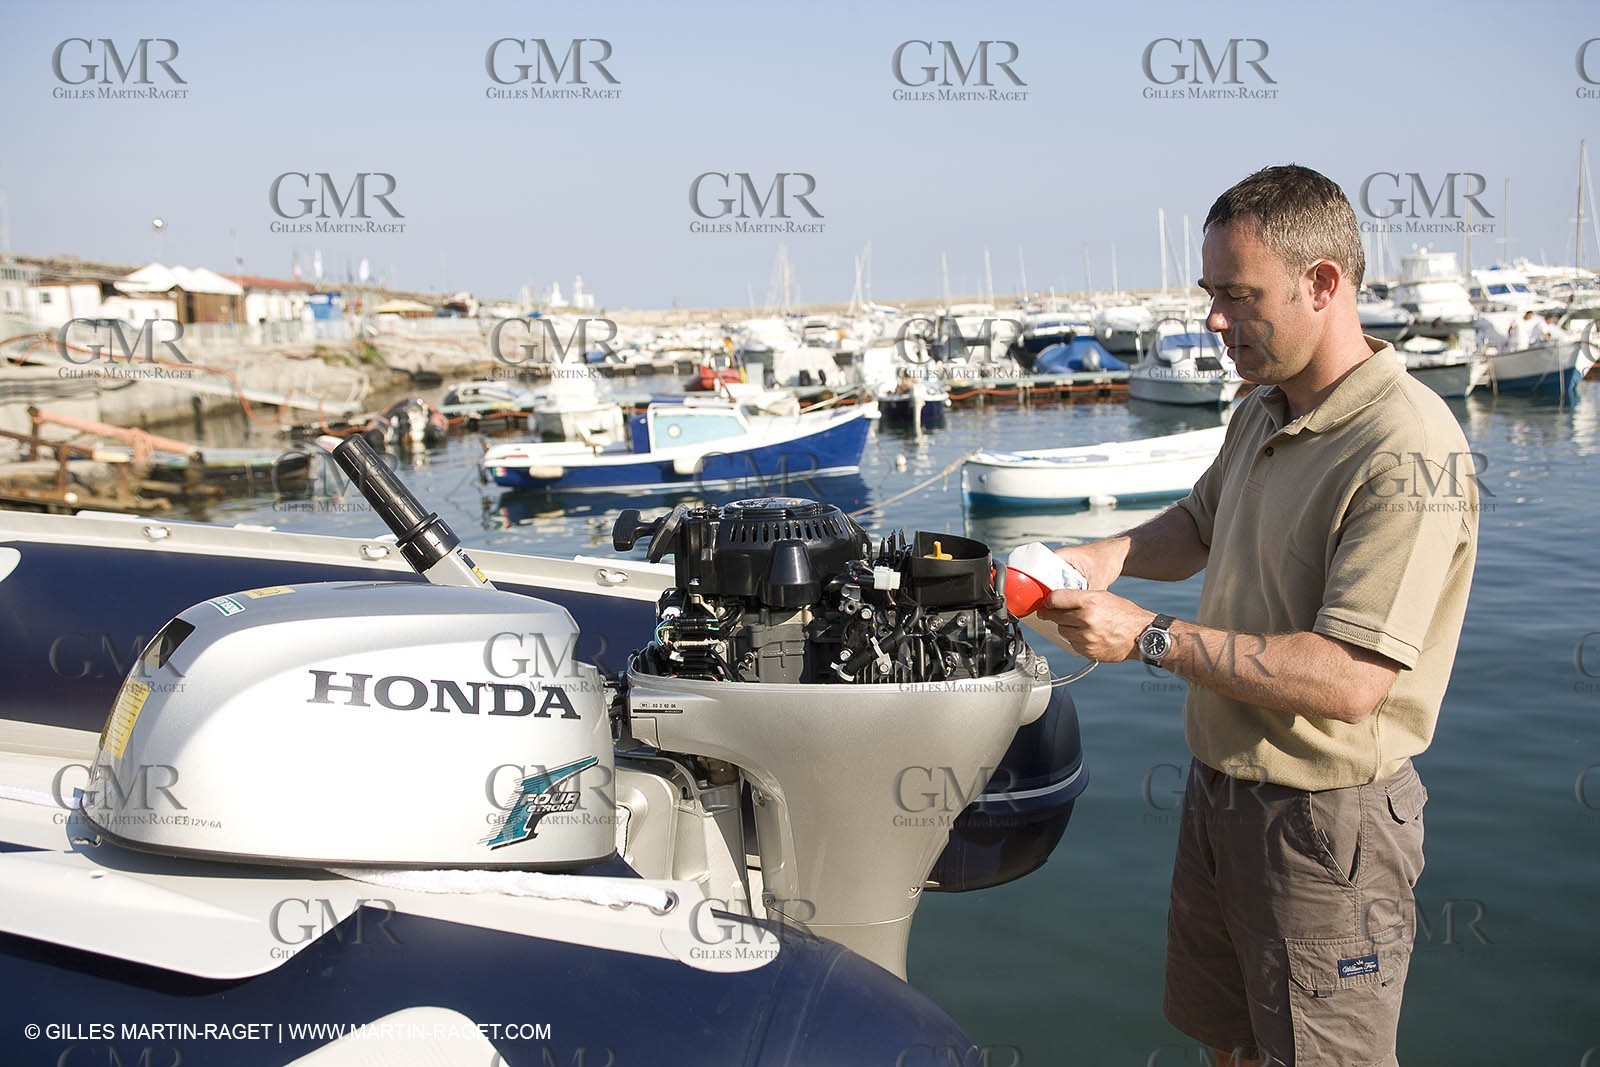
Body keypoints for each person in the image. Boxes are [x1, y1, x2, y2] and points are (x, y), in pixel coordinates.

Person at [1040, 165, 1478, 1067]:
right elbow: (1200, 522)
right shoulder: (1263, 408)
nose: (1214, 319)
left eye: (1238, 295)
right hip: (1220, 793)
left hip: (1325, 826)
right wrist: (1107, 554)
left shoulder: (1405, 446)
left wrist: (1147, 634)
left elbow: (1350, 680)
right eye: (1210, 293)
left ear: (1323, 283)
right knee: (1228, 1043)